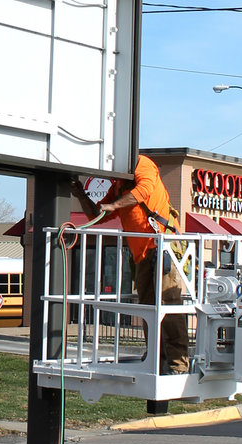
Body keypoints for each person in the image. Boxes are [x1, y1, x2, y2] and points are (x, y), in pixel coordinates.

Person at [71, 155, 190, 374]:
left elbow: (143, 190)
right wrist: (81, 195)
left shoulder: (143, 165)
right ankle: (155, 356)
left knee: (168, 304)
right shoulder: (119, 186)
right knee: (147, 309)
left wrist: (115, 204)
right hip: (142, 255)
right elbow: (97, 214)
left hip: (163, 247)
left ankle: (178, 364)